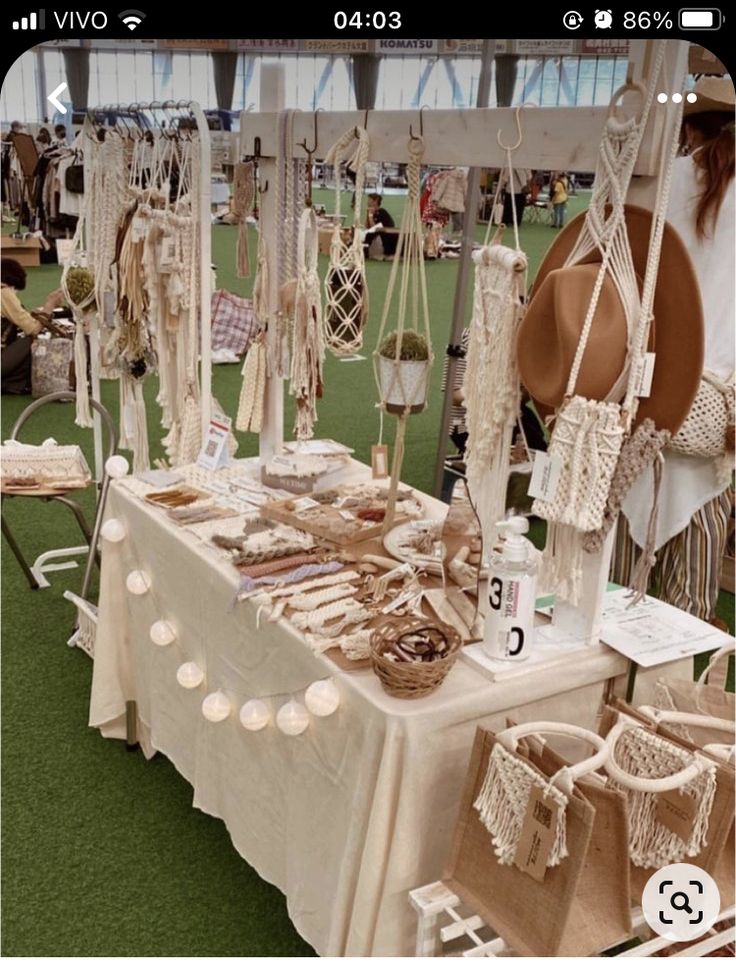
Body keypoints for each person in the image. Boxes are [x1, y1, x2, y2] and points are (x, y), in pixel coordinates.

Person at [612, 77, 735, 624]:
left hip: (644, 394)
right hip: (720, 415)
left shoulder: (660, 182)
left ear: (689, 127)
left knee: (608, 589)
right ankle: (668, 701)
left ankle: (590, 698)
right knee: (687, 612)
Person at [1, 258, 63, 394]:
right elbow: (33, 329)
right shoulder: (4, 293)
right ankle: (11, 383)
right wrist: (49, 306)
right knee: (31, 340)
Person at [364, 192, 398, 258]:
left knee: (368, 235)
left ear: (375, 202)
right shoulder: (372, 212)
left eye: (369, 200)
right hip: (378, 235)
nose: (368, 202)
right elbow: (367, 226)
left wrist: (370, 216)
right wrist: (367, 215)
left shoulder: (382, 212)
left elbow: (374, 228)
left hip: (385, 237)